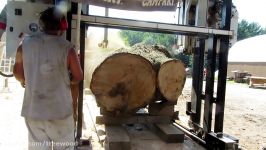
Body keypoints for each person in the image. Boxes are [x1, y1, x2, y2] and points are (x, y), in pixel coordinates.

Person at [13, 6, 83, 150]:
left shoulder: (24, 45)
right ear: (63, 25)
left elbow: (18, 74)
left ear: (41, 24)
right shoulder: (67, 48)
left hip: (34, 111)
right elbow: (78, 76)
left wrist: (25, 82)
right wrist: (70, 82)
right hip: (61, 113)